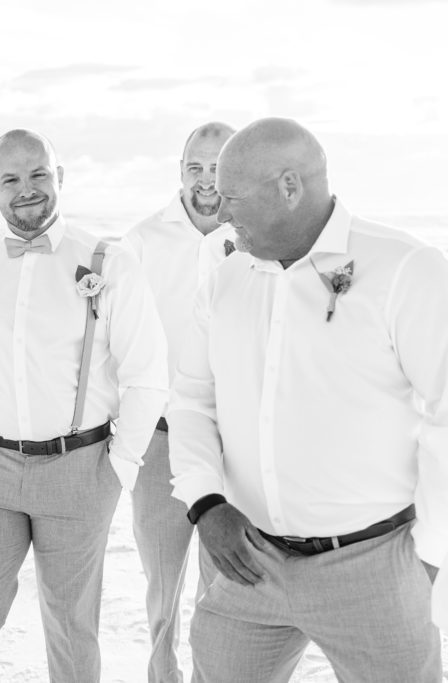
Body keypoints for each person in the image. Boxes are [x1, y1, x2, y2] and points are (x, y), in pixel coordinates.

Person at [169, 117, 446, 682]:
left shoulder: (406, 269)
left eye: (232, 198)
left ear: (289, 187)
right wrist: (205, 502)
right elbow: (193, 400)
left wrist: (429, 558)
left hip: (374, 565)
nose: (220, 214)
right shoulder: (224, 279)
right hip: (248, 562)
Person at [0, 129, 169, 683]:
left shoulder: (109, 263)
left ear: (60, 177)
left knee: (70, 628)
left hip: (81, 469)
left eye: (38, 174)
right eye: (10, 179)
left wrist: (119, 468)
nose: (26, 189)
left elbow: (147, 376)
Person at [124, 122, 236, 683]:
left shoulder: (262, 235)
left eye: (218, 166)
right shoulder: (141, 242)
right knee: (162, 584)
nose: (206, 180)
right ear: (180, 172)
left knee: (224, 585)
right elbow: (116, 345)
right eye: (195, 167)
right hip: (161, 440)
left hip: (234, 444)